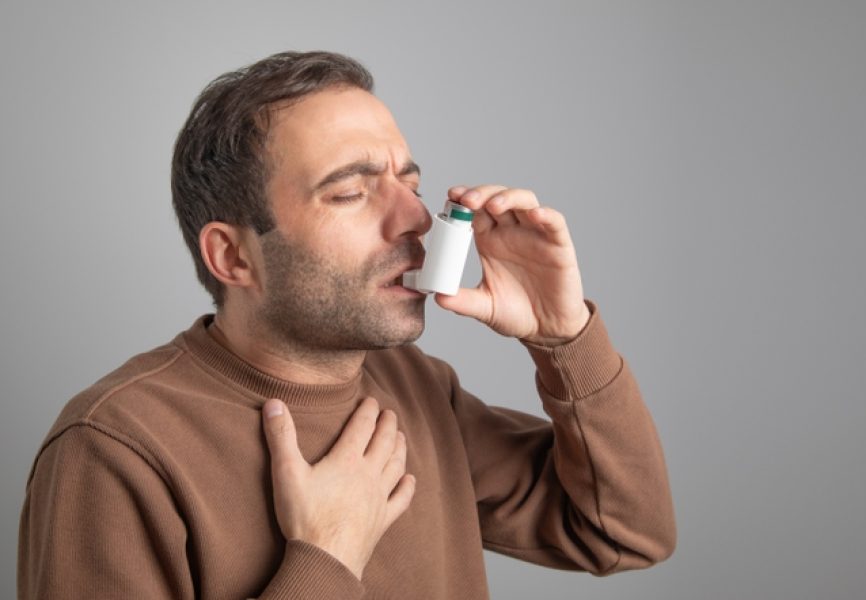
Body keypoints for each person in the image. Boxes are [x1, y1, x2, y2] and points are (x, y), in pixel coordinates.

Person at [18, 51, 675, 599]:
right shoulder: (113, 447)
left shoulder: (419, 389)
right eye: (350, 192)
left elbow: (623, 530)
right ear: (233, 256)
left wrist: (563, 339)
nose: (416, 219)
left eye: (408, 182)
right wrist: (325, 561)